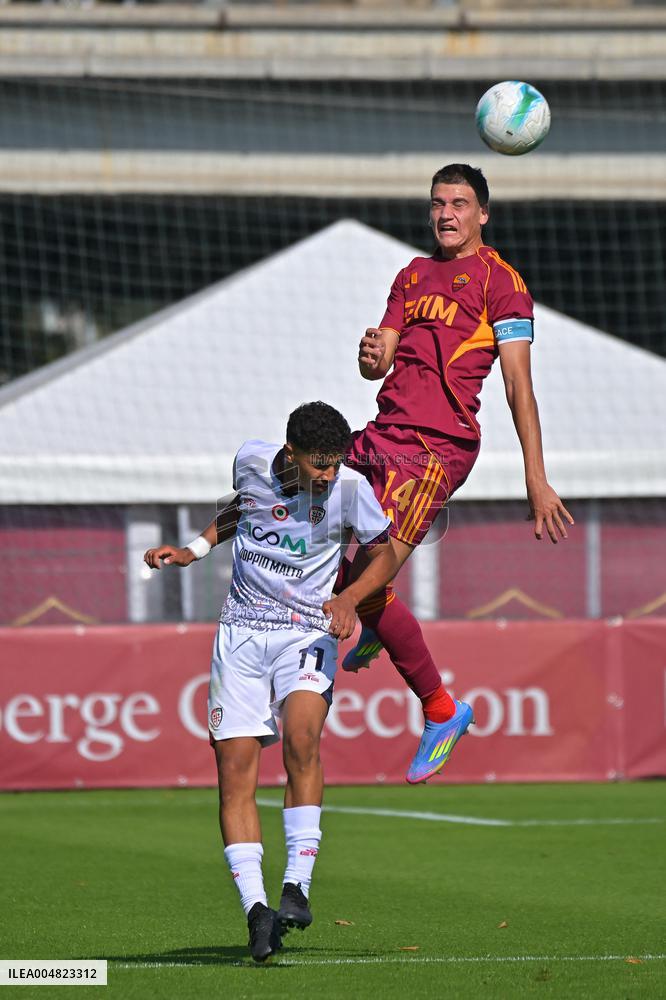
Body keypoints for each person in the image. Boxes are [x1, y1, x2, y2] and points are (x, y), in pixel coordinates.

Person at [342, 163, 574, 785]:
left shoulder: (503, 284)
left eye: (460, 203)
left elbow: (519, 385)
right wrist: (372, 357)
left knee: (364, 574)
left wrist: (536, 476)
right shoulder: (411, 275)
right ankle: (375, 621)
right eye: (439, 203)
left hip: (435, 448)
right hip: (380, 433)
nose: (446, 214)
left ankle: (442, 710)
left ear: (483, 214)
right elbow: (381, 357)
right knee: (312, 518)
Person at [144, 401, 399, 963]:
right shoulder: (251, 460)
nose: (328, 476)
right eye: (319, 466)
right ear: (290, 454)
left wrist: (350, 597)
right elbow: (242, 509)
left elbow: (385, 554)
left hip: (306, 631)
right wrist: (193, 550)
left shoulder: (351, 489)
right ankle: (257, 909)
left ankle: (297, 888)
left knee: (302, 739)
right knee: (233, 770)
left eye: (335, 464)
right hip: (239, 634)